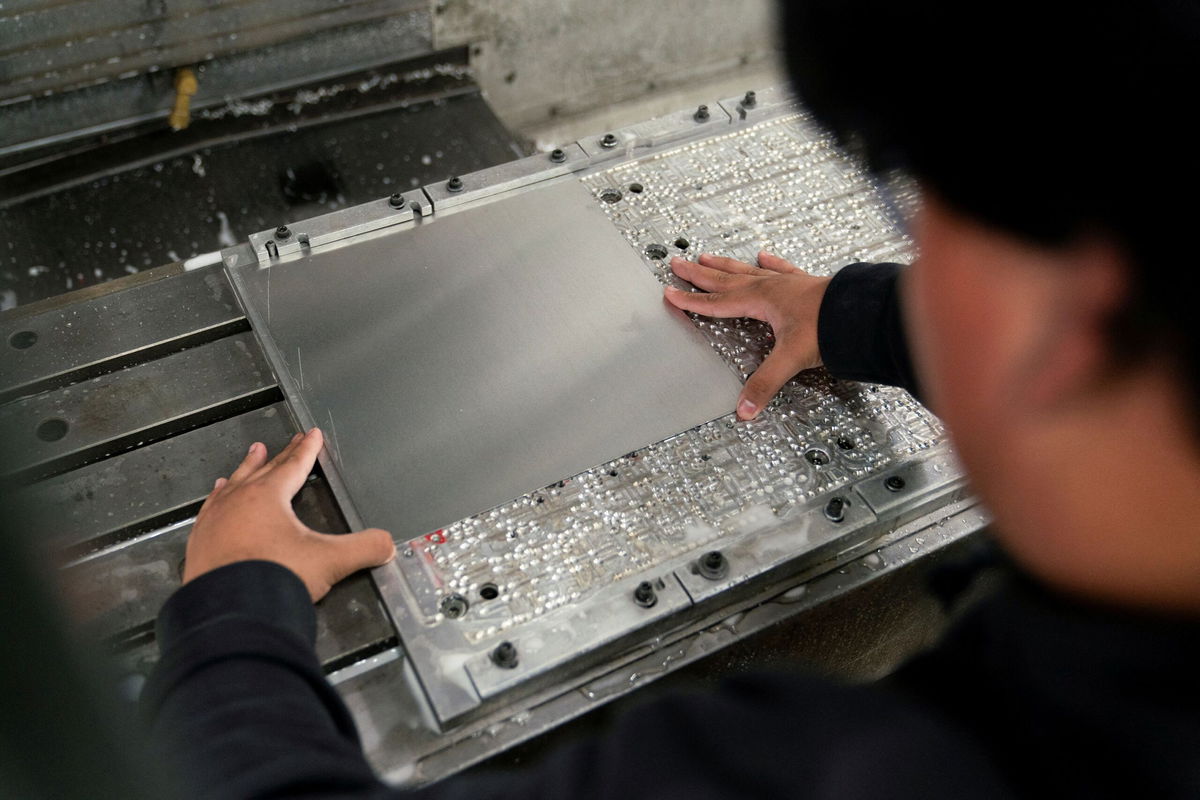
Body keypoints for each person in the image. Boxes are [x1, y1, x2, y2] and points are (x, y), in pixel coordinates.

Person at [140, 0, 1200, 797]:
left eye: (922, 212)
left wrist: (232, 613)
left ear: (1072, 321)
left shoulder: (865, 770)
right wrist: (860, 317)